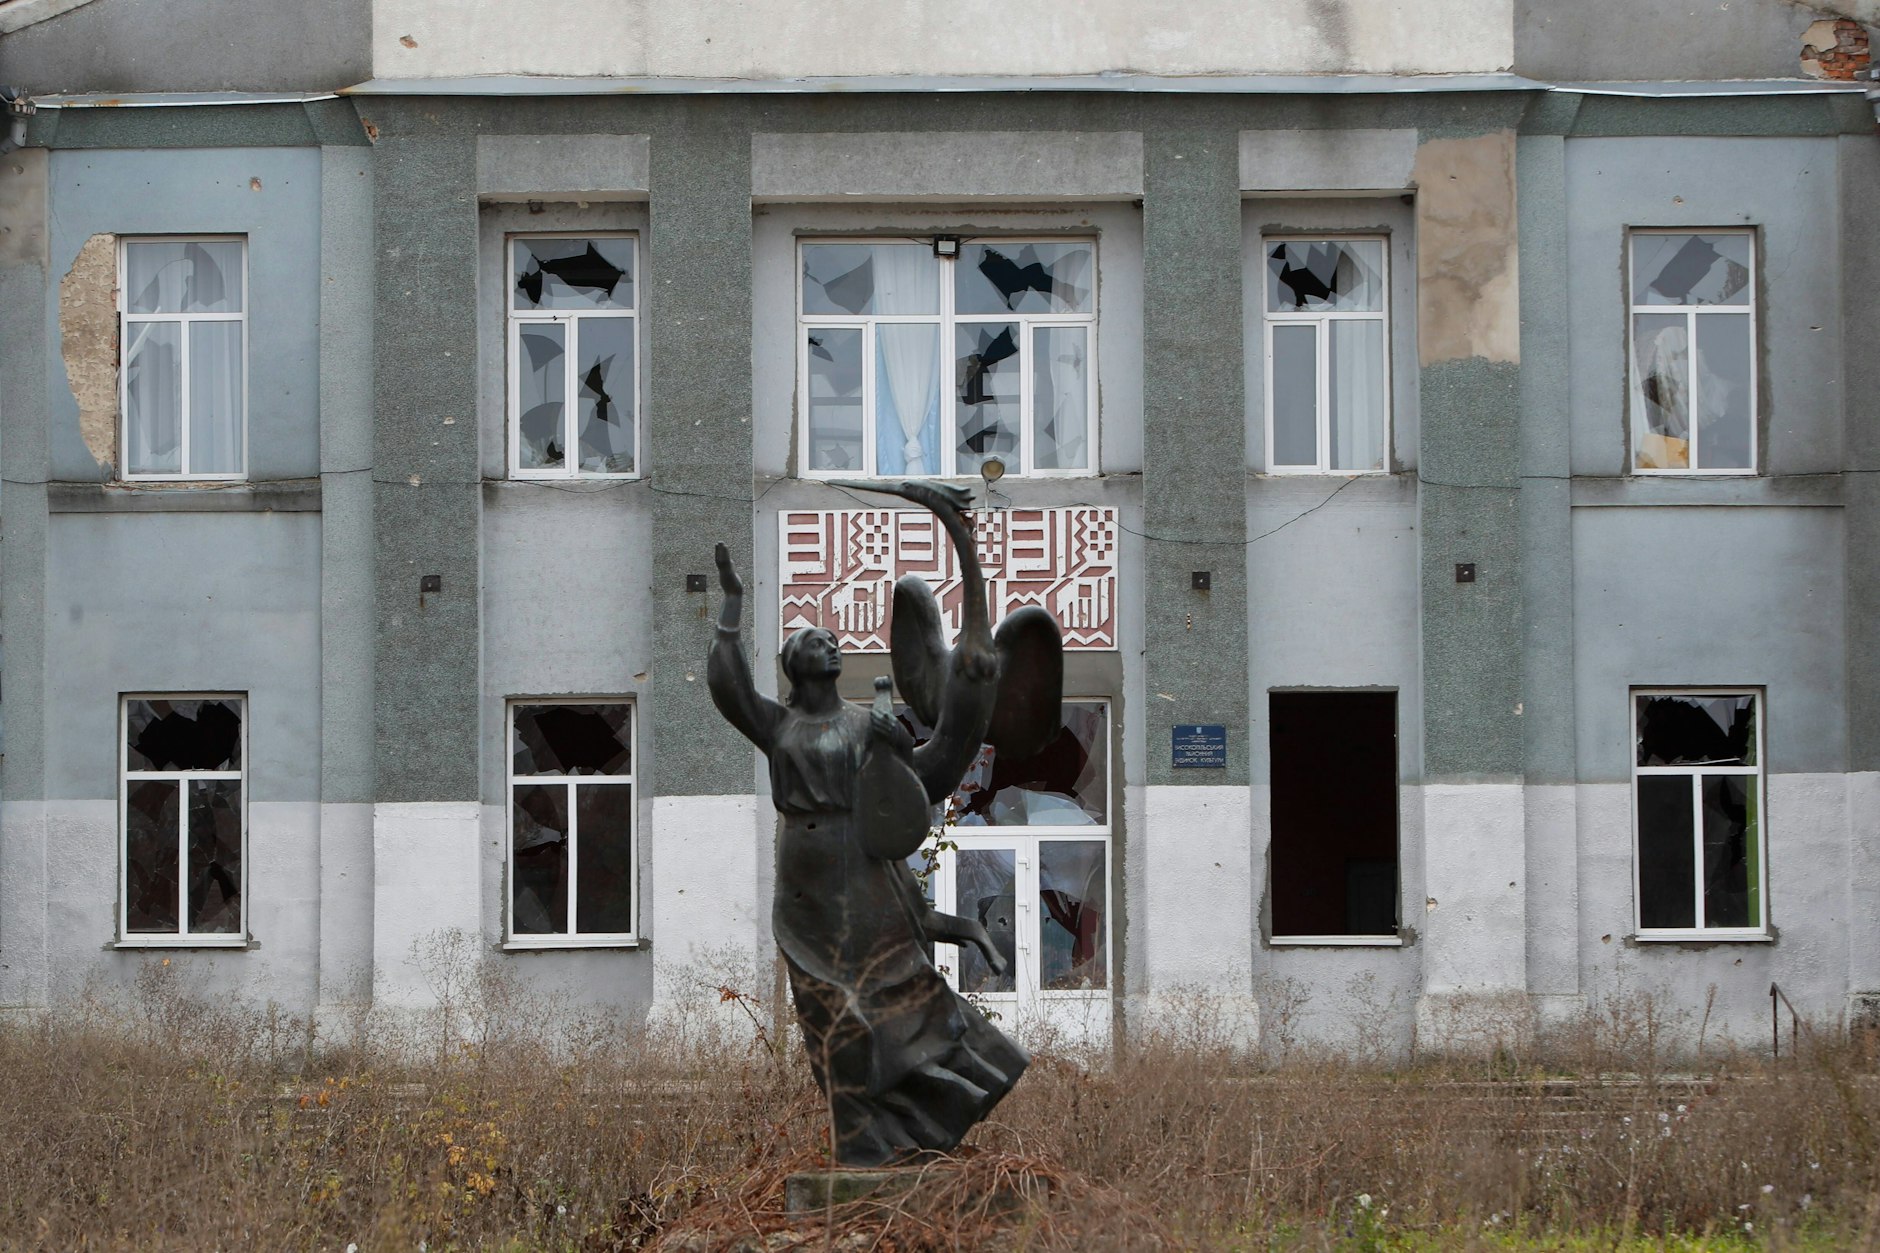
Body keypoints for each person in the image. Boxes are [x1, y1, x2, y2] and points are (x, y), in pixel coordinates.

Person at [706, 480, 1030, 1168]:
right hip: (805, 887)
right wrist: (731, 610)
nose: (826, 640)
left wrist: (891, 742)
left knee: (894, 997)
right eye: (811, 637)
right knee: (830, 1014)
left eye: (829, 637)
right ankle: (858, 1137)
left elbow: (923, 778)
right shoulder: (782, 722)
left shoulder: (863, 722)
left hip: (864, 876)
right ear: (794, 663)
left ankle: (904, 1128)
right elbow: (729, 689)